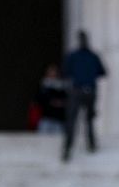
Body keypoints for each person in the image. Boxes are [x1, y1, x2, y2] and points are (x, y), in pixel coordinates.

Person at [61, 30, 108, 162]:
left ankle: (68, 149)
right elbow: (102, 72)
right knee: (88, 120)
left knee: (75, 120)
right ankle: (89, 146)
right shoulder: (92, 56)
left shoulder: (74, 56)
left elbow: (66, 72)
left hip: (78, 91)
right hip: (89, 90)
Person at [32, 62, 68, 135]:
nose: (52, 74)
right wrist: (51, 101)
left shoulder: (63, 87)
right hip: (46, 118)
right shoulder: (43, 86)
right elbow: (38, 100)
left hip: (59, 120)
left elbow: (67, 100)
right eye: (51, 72)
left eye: (54, 72)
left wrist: (60, 102)